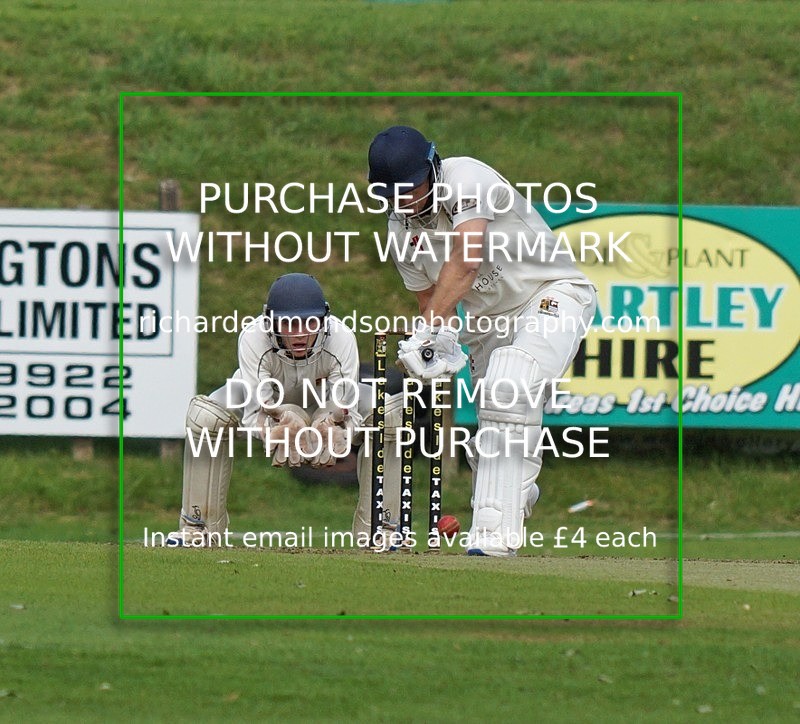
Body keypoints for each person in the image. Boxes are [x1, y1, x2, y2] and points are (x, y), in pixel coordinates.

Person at [367, 125, 598, 557]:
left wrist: (427, 326)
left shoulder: (467, 178)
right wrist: (437, 341)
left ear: (432, 168)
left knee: (510, 386)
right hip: (487, 324)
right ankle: (516, 490)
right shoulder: (401, 234)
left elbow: (467, 259)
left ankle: (494, 537)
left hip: (551, 293)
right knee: (495, 420)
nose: (403, 201)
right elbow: (431, 302)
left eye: (411, 188)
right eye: (391, 195)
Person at [167, 273, 364, 546]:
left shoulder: (340, 337)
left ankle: (384, 529)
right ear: (270, 321)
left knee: (390, 414)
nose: (299, 333)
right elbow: (254, 411)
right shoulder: (253, 337)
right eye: (287, 323)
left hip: (322, 400)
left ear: (324, 319)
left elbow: (345, 406)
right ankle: (198, 527)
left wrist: (333, 429)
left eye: (309, 322)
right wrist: (274, 431)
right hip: (270, 404)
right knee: (205, 416)